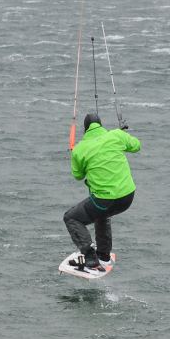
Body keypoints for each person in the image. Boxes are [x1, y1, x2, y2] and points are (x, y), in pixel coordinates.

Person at [64, 112, 141, 271]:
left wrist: (75, 155)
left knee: (71, 218)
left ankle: (91, 258)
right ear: (101, 125)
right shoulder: (116, 135)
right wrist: (123, 136)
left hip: (104, 200)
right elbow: (136, 146)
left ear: (85, 131)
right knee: (101, 213)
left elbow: (78, 176)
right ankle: (104, 255)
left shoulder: (80, 149)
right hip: (127, 197)